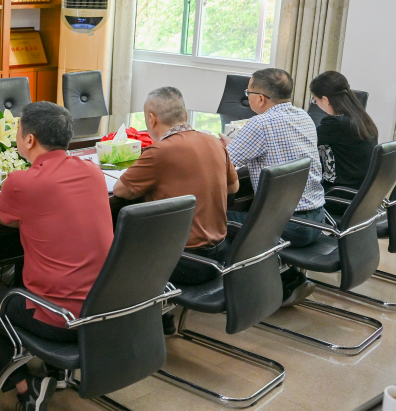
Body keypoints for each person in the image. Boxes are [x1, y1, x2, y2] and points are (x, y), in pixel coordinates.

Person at [0, 102, 113, 411]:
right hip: (103, 308)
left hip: (60, 318)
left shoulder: (23, 181)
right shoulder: (92, 172)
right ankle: (55, 371)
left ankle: (27, 389)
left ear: (29, 139)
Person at [220, 68, 325, 306]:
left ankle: (261, 287)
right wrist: (237, 144)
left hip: (288, 225)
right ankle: (287, 277)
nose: (247, 96)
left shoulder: (261, 124)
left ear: (260, 98)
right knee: (245, 210)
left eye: (248, 92)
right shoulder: (304, 116)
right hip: (316, 219)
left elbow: (223, 165)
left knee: (214, 220)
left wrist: (222, 149)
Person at [114, 87, 239, 286]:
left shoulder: (159, 151)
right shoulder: (215, 143)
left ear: (151, 119)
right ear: (185, 115)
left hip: (182, 262)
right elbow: (234, 188)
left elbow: (120, 191)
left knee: (117, 239)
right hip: (220, 255)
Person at [309, 71, 378, 190]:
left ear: (325, 99)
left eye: (316, 100)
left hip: (339, 191)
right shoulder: (362, 118)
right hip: (361, 190)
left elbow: (307, 143)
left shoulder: (336, 124)